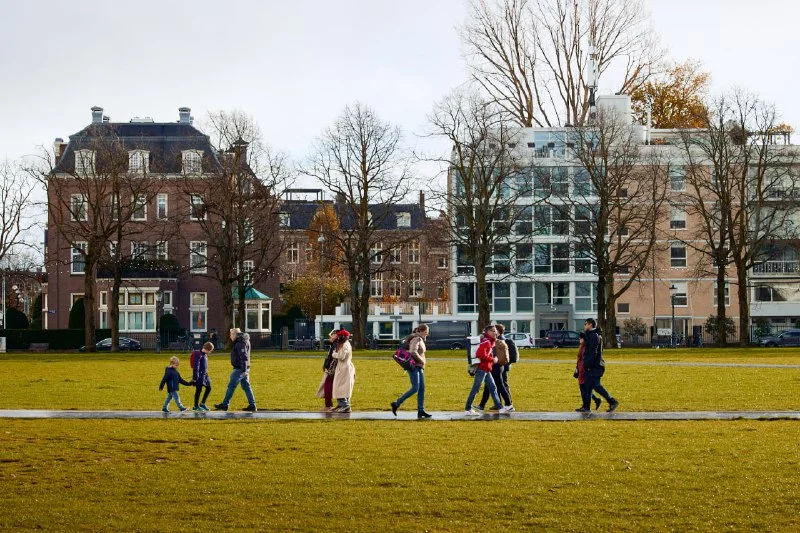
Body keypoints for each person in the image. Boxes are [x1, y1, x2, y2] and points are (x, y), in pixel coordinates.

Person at [465, 325, 512, 416]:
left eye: (496, 331)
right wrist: (492, 359)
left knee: (493, 388)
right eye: (493, 331)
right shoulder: (486, 342)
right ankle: (468, 409)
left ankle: (500, 408)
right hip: (482, 369)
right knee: (475, 389)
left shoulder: (489, 341)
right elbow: (480, 354)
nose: (496, 333)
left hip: (487, 369)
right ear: (488, 332)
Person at [391, 324, 432, 419]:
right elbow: (413, 351)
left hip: (419, 367)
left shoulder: (420, 338)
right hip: (414, 366)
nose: (427, 334)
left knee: (421, 389)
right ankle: (397, 403)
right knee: (415, 388)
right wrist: (421, 361)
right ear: (421, 331)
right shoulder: (416, 339)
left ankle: (421, 410)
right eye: (426, 332)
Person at [214, 328, 257, 412]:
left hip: (239, 369)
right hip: (245, 367)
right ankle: (252, 405)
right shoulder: (244, 340)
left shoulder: (240, 343)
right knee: (246, 387)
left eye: (231, 334)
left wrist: (243, 371)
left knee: (231, 386)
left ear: (235, 334)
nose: (230, 336)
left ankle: (225, 404)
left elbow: (243, 357)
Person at [583, 319, 619, 413]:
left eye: (585, 324)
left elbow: (593, 352)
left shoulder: (593, 336)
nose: (584, 326)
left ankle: (612, 401)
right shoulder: (593, 335)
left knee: (596, 386)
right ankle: (587, 407)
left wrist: (588, 364)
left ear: (590, 325)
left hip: (595, 366)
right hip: (594, 365)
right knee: (588, 386)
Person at [477, 324, 513, 412]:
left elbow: (490, 354)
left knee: (499, 386)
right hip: (497, 366)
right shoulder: (496, 341)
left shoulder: (493, 342)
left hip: (495, 366)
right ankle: (482, 405)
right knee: (489, 386)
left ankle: (509, 404)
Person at [575, 332, 601, 412]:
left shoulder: (584, 348)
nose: (579, 340)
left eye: (581, 338)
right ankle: (592, 401)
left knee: (584, 388)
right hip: (580, 369)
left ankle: (586, 406)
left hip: (583, 369)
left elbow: (583, 359)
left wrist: (580, 369)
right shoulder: (582, 347)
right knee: (585, 388)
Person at [331, 329, 355, 413]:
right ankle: (341, 404)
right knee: (339, 386)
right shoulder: (342, 344)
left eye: (339, 336)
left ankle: (345, 404)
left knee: (342, 387)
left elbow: (341, 356)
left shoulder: (345, 344)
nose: (337, 338)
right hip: (342, 367)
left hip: (345, 367)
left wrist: (334, 354)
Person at [315, 330, 339, 411]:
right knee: (328, 386)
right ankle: (329, 405)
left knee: (327, 386)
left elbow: (332, 357)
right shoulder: (334, 344)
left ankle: (328, 405)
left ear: (336, 335)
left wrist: (328, 366)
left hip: (331, 369)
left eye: (331, 335)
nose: (330, 337)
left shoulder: (335, 345)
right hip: (331, 368)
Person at [192, 342, 215, 412]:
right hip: (199, 376)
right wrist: (195, 378)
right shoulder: (199, 355)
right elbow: (196, 366)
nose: (210, 352)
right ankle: (195, 406)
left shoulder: (205, 355)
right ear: (208, 349)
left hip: (205, 375)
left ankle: (202, 403)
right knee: (198, 390)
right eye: (210, 351)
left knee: (209, 388)